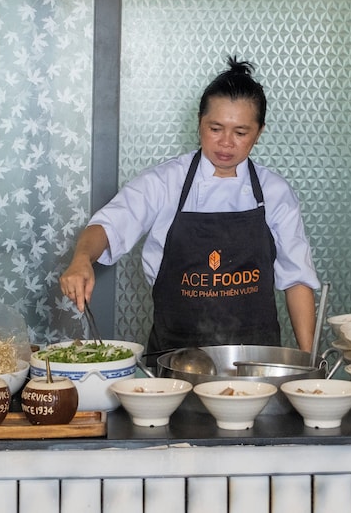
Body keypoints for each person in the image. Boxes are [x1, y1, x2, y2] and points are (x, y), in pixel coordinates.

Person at [59, 56, 319, 357]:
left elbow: (297, 279)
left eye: (240, 132)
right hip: (173, 362)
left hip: (255, 364)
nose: (226, 142)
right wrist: (81, 258)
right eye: (216, 128)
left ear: (259, 132)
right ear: (199, 123)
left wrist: (309, 361)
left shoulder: (274, 192)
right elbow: (108, 226)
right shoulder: (165, 182)